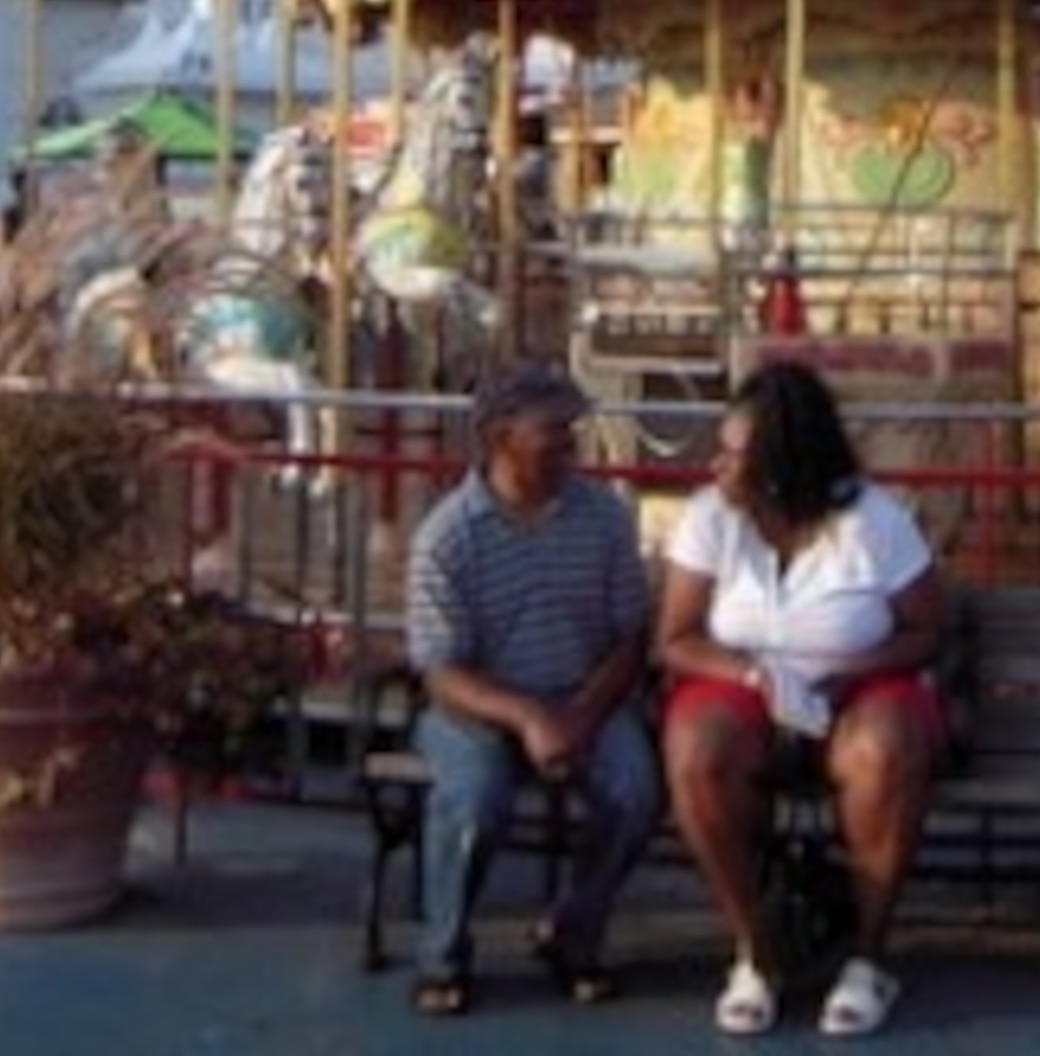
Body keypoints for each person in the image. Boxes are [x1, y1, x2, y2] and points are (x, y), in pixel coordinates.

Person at [657, 360, 948, 1040]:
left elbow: (927, 627)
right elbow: (674, 637)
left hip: (859, 684)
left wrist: (853, 672)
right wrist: (751, 674)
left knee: (887, 749)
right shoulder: (709, 520)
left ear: (785, 464)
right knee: (697, 751)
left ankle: (869, 957)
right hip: (744, 689)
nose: (718, 467)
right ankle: (755, 951)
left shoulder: (874, 522)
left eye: (737, 456)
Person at [400, 358, 657, 1019]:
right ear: (500, 437)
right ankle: (442, 952)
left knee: (634, 790)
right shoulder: (448, 537)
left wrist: (579, 712)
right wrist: (526, 718)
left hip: (583, 692)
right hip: (478, 706)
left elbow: (631, 635)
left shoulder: (603, 518)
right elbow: (441, 667)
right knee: (474, 799)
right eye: (553, 430)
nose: (570, 444)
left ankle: (575, 927)